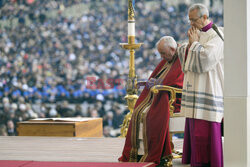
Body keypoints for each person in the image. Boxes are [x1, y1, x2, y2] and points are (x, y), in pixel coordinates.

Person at [119, 36, 184, 166]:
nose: (161, 57)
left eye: (163, 53)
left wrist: (158, 84)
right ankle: (139, 152)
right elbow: (160, 77)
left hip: (174, 100)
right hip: (160, 95)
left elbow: (178, 83)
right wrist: (149, 83)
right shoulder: (169, 58)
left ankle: (153, 152)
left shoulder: (182, 57)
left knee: (150, 114)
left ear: (172, 49)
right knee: (138, 111)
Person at [177, 3, 224, 167]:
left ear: (205, 17)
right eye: (189, 20)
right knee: (194, 129)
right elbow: (185, 51)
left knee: (205, 132)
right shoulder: (196, 33)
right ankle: (194, 160)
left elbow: (207, 59)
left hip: (208, 88)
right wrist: (189, 45)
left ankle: (207, 162)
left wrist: (194, 44)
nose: (191, 24)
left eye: (193, 20)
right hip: (195, 88)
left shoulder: (217, 35)